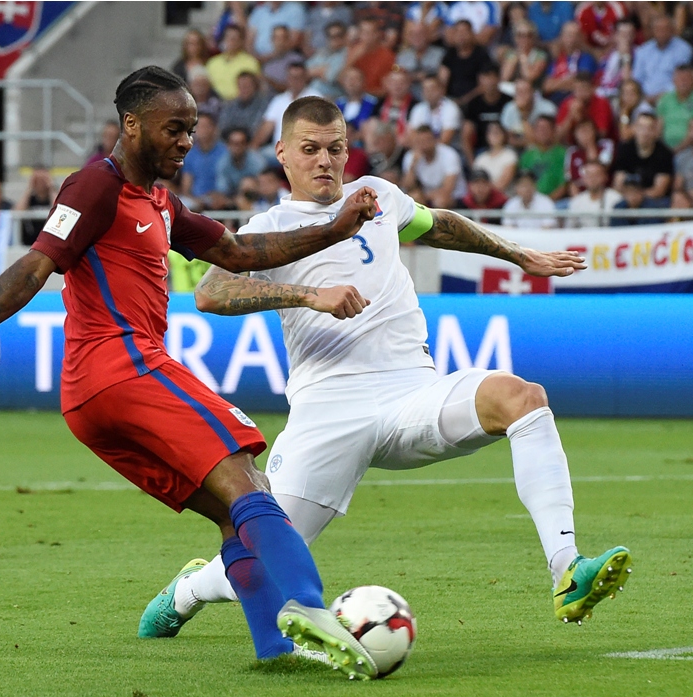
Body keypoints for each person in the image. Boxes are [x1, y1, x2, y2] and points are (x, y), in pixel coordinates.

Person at [0, 69, 383, 678]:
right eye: (174, 128)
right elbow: (36, 264)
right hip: (122, 364)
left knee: (233, 512)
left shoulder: (160, 203)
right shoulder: (94, 186)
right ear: (131, 125)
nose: (186, 141)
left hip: (90, 400)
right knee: (247, 480)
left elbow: (238, 254)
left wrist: (335, 228)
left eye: (191, 129)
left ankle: (277, 651)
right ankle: (310, 607)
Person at [138, 94, 629, 641]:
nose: (324, 161)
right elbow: (211, 292)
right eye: (310, 149)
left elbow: (441, 225)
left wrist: (520, 255)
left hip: (411, 393)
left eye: (335, 148)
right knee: (264, 562)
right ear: (282, 153)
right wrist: (309, 295)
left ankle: (566, 569)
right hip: (327, 408)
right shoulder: (270, 227)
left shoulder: (377, 197)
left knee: (522, 397)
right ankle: (189, 590)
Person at [611, 112, 674, 201]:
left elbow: (659, 190)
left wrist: (637, 196)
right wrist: (631, 197)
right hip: (626, 198)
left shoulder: (664, 153)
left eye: (649, 128)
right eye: (641, 127)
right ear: (634, 128)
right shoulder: (625, 150)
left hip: (653, 201)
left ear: (655, 131)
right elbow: (618, 184)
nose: (645, 132)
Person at [401, 124, 466, 208]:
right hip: (428, 196)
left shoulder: (449, 154)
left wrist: (424, 196)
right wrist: (413, 165)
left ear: (435, 140)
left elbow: (448, 189)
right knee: (413, 199)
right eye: (420, 141)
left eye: (427, 140)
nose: (424, 144)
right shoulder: (411, 156)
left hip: (455, 197)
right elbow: (407, 187)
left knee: (440, 201)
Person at [632, 15, 693, 103]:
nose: (661, 33)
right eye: (658, 29)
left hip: (672, 98)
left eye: (665, 29)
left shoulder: (683, 50)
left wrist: (659, 97)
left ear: (672, 30)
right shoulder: (643, 50)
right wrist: (641, 97)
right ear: (652, 31)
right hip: (643, 98)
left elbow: (682, 79)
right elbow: (637, 79)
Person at [462, 64, 511, 165]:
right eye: (486, 77)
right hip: (482, 149)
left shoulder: (508, 102)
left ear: (499, 79)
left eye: (492, 77)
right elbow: (466, 135)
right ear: (480, 79)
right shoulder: (473, 104)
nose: (489, 81)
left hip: (506, 147)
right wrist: (473, 164)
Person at [439, 20, 493, 106]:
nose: (461, 36)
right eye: (458, 32)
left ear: (472, 33)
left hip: (475, 101)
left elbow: (483, 85)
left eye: (465, 32)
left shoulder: (481, 54)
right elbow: (442, 80)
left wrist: (464, 100)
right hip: (451, 100)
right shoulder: (450, 54)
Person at [543, 22, 597, 104]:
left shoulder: (586, 58)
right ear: (562, 37)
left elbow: (581, 84)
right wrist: (568, 81)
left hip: (576, 102)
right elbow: (546, 86)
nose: (572, 38)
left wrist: (556, 83)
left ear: (580, 38)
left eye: (575, 35)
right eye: (568, 34)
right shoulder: (557, 59)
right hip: (553, 103)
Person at [518, 115, 568, 200]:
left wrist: (546, 203)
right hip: (530, 202)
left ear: (553, 131)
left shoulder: (563, 154)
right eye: (539, 129)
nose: (542, 132)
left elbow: (564, 185)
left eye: (546, 128)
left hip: (556, 202)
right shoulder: (527, 156)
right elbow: (522, 183)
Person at [206, 24, 260, 101]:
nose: (230, 41)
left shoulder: (251, 63)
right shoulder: (212, 63)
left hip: (241, 103)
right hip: (215, 102)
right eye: (228, 37)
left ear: (241, 41)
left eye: (234, 38)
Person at [500, 78, 558, 150]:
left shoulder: (547, 108)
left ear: (533, 92)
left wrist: (523, 114)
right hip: (516, 150)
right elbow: (508, 139)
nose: (521, 95)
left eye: (525, 91)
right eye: (518, 92)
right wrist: (527, 142)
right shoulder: (509, 108)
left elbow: (546, 139)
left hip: (544, 150)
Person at [407, 74, 462, 146]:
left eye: (432, 89)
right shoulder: (418, 108)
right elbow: (412, 135)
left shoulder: (451, 108)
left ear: (442, 90)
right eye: (425, 89)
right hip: (422, 148)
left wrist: (425, 148)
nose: (429, 92)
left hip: (447, 149)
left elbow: (445, 141)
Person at [397, 21, 445, 100]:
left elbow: (443, 79)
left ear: (428, 35)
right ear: (408, 37)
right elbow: (399, 78)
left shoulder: (440, 54)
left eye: (421, 34)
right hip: (407, 101)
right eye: (413, 34)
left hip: (434, 99)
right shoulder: (402, 57)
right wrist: (415, 77)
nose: (417, 38)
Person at [568, 160, 622, 227]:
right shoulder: (576, 202)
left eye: (596, 175)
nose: (592, 179)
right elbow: (570, 229)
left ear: (605, 177)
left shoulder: (617, 200)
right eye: (588, 175)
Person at [218, 71, 270, 136]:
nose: (244, 89)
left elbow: (256, 128)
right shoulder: (229, 105)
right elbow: (223, 126)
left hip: (253, 140)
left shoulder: (263, 105)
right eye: (241, 86)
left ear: (255, 86)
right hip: (230, 139)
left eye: (247, 86)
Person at [15, 165, 56, 245]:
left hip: (49, 242)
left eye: (43, 179)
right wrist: (30, 187)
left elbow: (58, 209)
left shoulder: (53, 196)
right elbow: (17, 213)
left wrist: (51, 186)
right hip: (30, 241)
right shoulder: (29, 199)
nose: (40, 183)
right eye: (37, 180)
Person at [473, 121, 517, 191]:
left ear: (504, 135)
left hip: (503, 195)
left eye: (497, 132)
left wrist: (485, 191)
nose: (494, 135)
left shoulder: (510, 155)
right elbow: (475, 182)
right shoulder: (480, 158)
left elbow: (503, 183)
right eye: (491, 132)